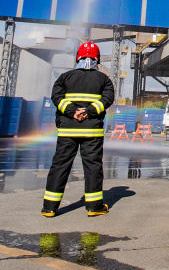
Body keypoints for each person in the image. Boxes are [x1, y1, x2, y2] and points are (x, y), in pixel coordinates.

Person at [42, 42, 115, 217]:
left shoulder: (64, 77)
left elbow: (56, 97)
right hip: (92, 132)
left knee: (60, 166)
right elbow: (108, 99)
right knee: (92, 167)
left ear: (78, 57)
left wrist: (72, 111)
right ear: (97, 58)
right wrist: (89, 112)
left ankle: (49, 207)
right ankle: (94, 207)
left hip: (67, 130)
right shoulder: (104, 79)